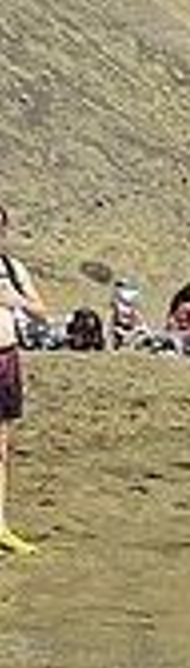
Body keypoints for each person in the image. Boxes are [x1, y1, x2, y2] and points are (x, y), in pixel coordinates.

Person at [0, 206, 46, 555]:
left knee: (2, 447)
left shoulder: (12, 269)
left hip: (6, 357)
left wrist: (14, 299)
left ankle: (0, 524)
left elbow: (40, 309)